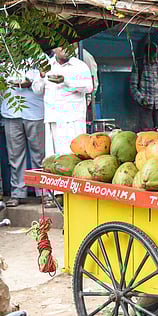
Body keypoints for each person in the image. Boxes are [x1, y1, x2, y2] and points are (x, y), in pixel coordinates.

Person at [33, 46, 93, 207]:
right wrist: (40, 76)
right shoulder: (47, 65)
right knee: (54, 158)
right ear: (54, 49)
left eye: (69, 46)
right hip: (53, 118)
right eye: (61, 46)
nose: (65, 50)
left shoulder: (79, 65)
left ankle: (74, 194)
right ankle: (57, 195)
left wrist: (66, 82)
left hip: (72, 119)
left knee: (71, 157)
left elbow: (88, 88)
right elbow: (37, 89)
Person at [1, 69, 45, 207]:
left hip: (35, 112)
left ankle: (43, 192)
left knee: (39, 155)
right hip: (11, 113)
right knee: (14, 157)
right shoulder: (5, 63)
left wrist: (30, 83)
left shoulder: (39, 59)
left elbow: (43, 85)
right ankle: (17, 193)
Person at [130, 41, 158, 130]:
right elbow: (133, 85)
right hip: (145, 103)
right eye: (149, 55)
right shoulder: (139, 64)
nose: (151, 58)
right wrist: (141, 99)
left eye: (153, 55)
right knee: (146, 131)